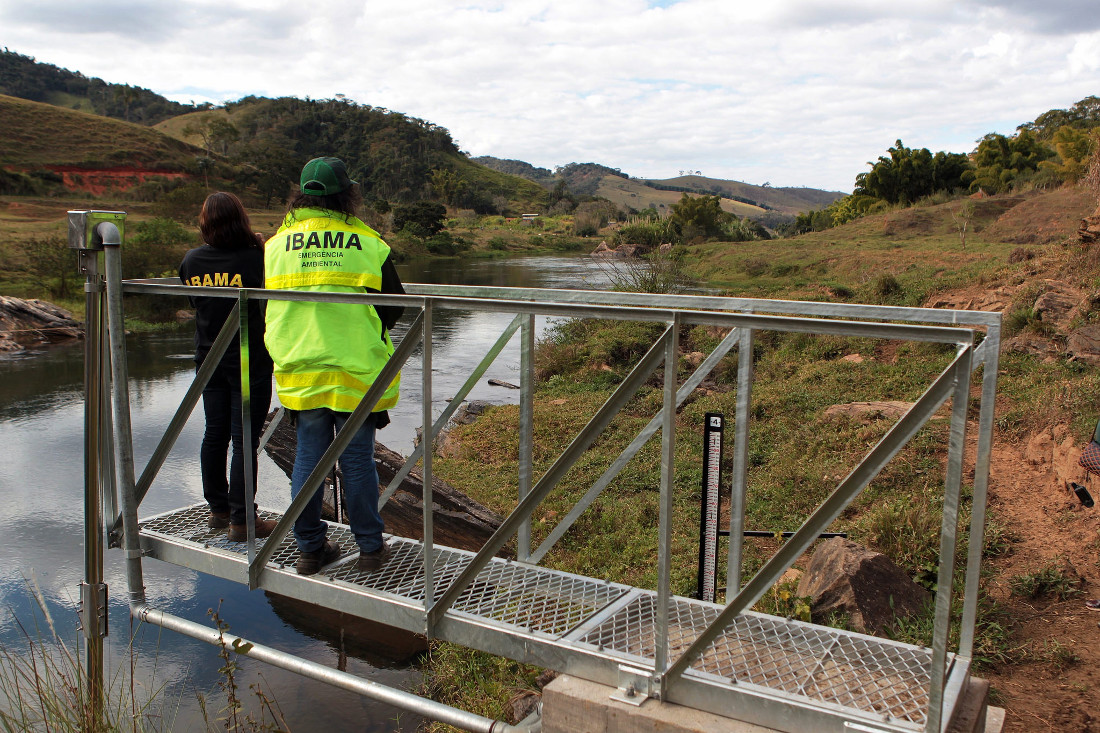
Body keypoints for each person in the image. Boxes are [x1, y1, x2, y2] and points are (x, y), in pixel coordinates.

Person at [264, 156, 405, 576]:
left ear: (300, 195)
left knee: (309, 455)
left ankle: (309, 549)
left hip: (300, 363)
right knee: (357, 458)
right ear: (348, 194)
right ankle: (369, 550)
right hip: (355, 367)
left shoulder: (275, 246)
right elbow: (393, 307)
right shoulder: (369, 244)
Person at [179, 192, 275, 542]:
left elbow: (194, 302)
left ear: (205, 223)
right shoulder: (256, 258)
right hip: (249, 363)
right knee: (244, 440)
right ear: (241, 220)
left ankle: (218, 511)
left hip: (208, 360)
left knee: (214, 434)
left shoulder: (191, 260)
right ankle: (242, 521)